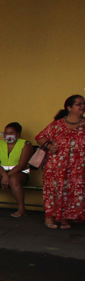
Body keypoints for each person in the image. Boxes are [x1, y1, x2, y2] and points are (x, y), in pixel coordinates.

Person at [35, 95, 85, 229]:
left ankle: (65, 218)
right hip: (56, 166)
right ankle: (49, 218)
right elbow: (40, 137)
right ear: (69, 107)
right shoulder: (57, 125)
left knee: (72, 191)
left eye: (83, 104)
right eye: (78, 104)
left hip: (78, 167)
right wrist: (50, 146)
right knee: (53, 191)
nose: (82, 106)